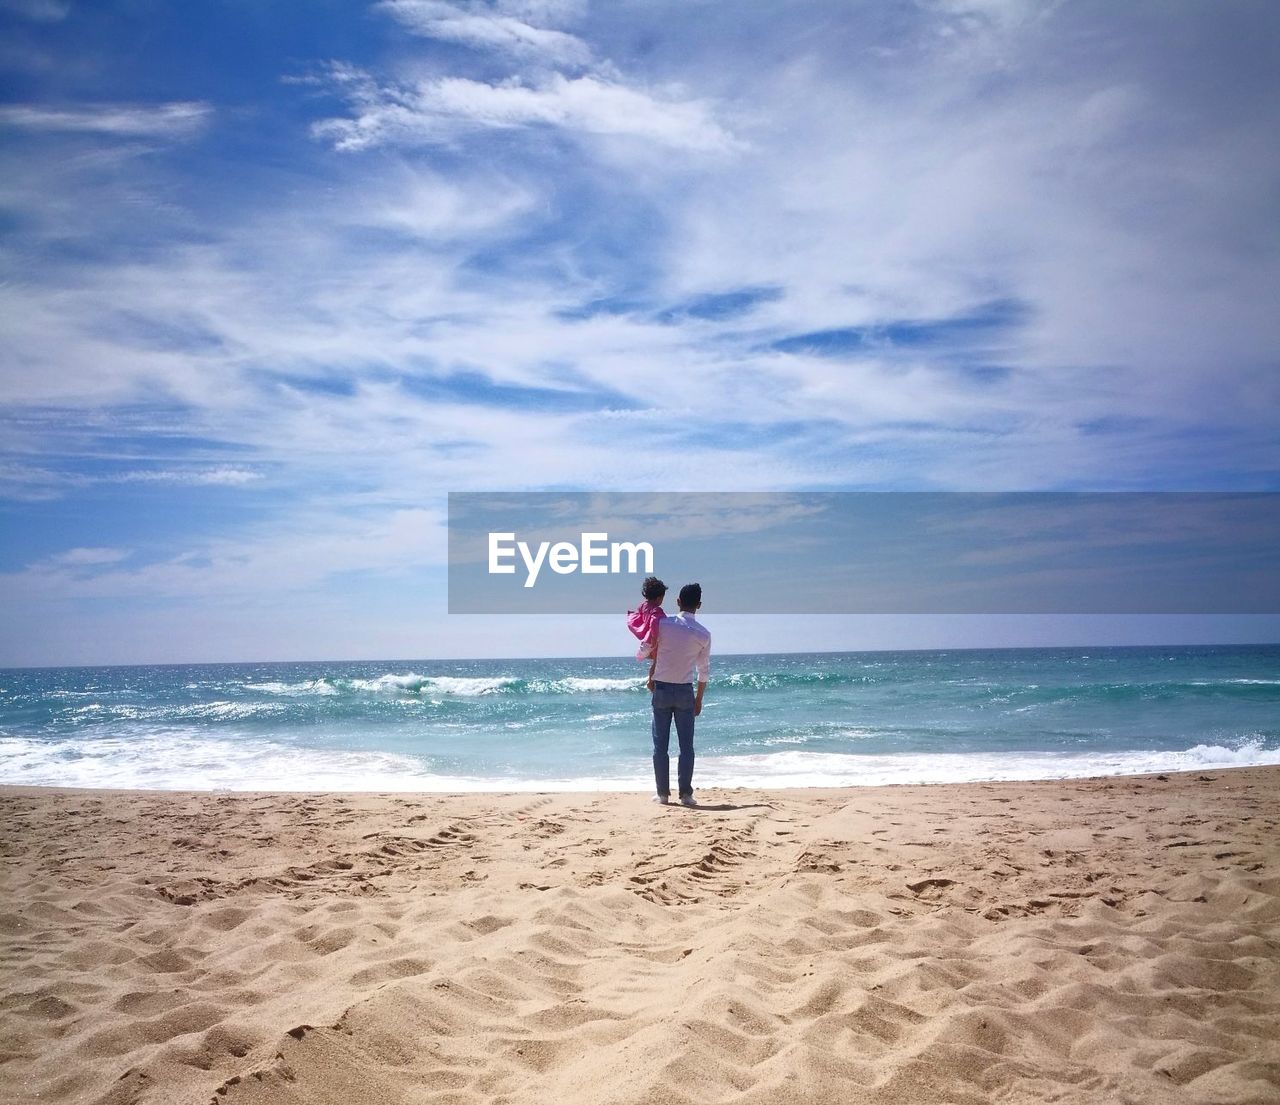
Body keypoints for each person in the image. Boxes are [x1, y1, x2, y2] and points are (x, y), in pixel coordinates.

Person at [646, 582, 710, 807]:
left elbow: (651, 650)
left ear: (678, 602)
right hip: (685, 691)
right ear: (699, 605)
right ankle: (686, 795)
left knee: (660, 746)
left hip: (662, 689)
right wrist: (699, 699)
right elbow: (703, 671)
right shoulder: (703, 634)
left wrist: (651, 674)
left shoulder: (663, 624)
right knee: (686, 746)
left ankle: (663, 794)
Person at [626, 576, 667, 661]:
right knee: (656, 663)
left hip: (644, 644)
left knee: (653, 662)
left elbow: (637, 617)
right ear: (659, 598)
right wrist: (655, 639)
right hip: (652, 642)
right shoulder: (656, 610)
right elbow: (654, 622)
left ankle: (641, 655)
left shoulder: (643, 606)